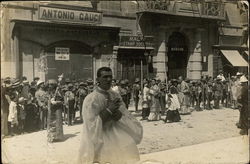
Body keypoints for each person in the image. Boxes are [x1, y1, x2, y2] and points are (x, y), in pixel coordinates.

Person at [78, 67, 143, 164]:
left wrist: (118, 114)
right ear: (98, 79)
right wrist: (109, 110)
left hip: (117, 136)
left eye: (110, 77)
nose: (108, 80)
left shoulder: (115, 95)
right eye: (105, 77)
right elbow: (91, 125)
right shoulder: (91, 99)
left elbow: (125, 115)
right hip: (101, 139)